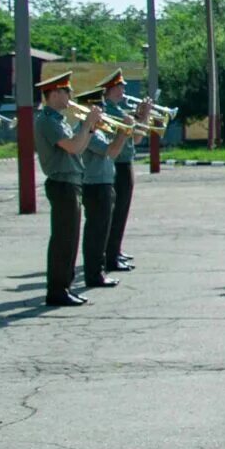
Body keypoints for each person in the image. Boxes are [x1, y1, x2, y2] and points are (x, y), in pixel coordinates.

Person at [34, 72, 101, 306]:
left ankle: (64, 286)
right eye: (66, 91)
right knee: (64, 239)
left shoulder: (59, 119)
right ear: (53, 94)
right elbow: (72, 147)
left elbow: (79, 148)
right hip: (61, 183)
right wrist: (87, 123)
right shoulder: (47, 120)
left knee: (70, 238)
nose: (70, 96)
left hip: (71, 181)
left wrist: (90, 127)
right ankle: (57, 290)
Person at [73, 84, 131, 288]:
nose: (103, 111)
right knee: (96, 233)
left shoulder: (96, 131)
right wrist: (124, 132)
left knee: (102, 231)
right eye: (99, 107)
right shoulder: (87, 131)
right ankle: (94, 274)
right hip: (95, 186)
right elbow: (112, 152)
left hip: (103, 184)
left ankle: (98, 271)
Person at [102, 71, 153, 271]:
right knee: (116, 211)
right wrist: (139, 116)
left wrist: (145, 115)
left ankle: (116, 249)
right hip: (116, 164)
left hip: (125, 162)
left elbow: (138, 138)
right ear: (110, 89)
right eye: (120, 87)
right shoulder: (109, 110)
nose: (123, 90)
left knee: (122, 210)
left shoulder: (121, 109)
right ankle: (110, 254)